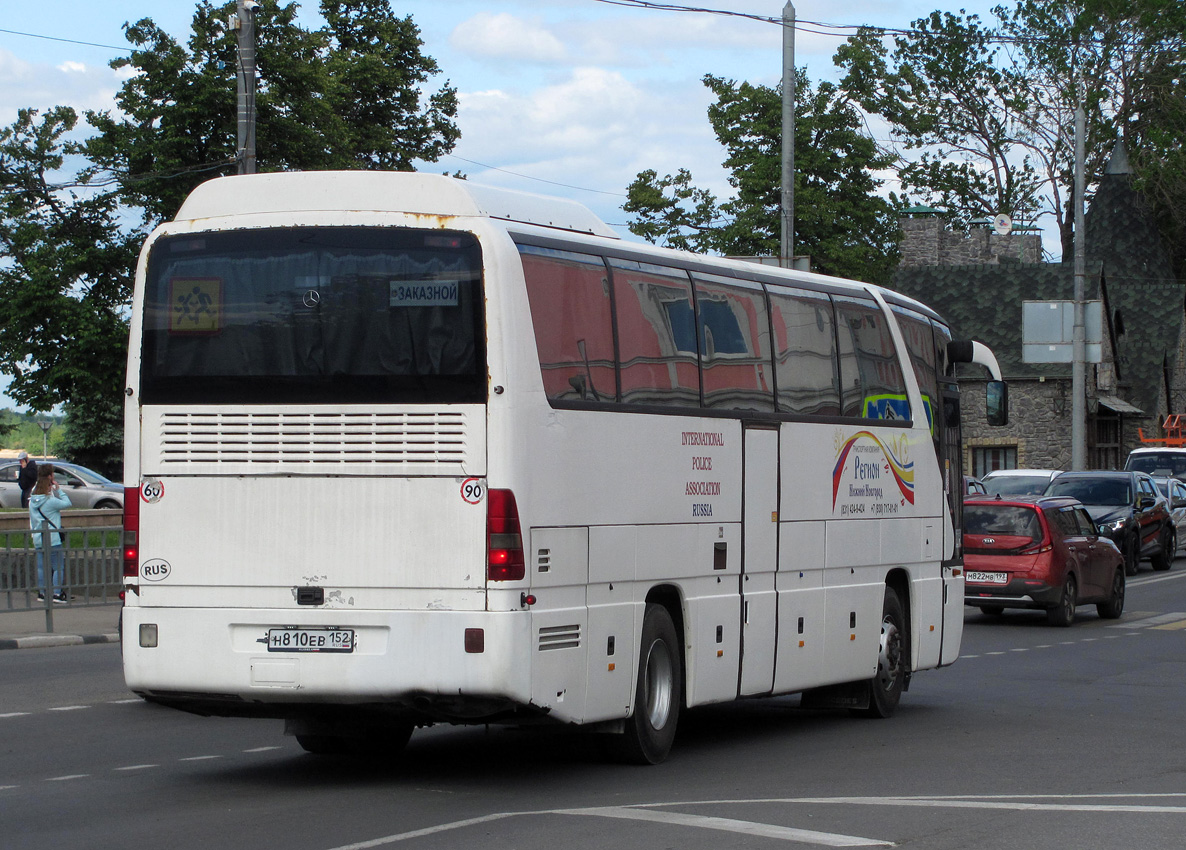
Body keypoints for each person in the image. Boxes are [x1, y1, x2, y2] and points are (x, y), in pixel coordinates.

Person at [29, 464, 71, 603]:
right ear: (50, 478)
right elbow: (67, 503)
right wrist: (59, 489)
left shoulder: (32, 500)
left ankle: (42, 593)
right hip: (52, 538)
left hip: (38, 537)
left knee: (42, 567)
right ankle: (56, 594)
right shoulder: (50, 501)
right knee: (58, 567)